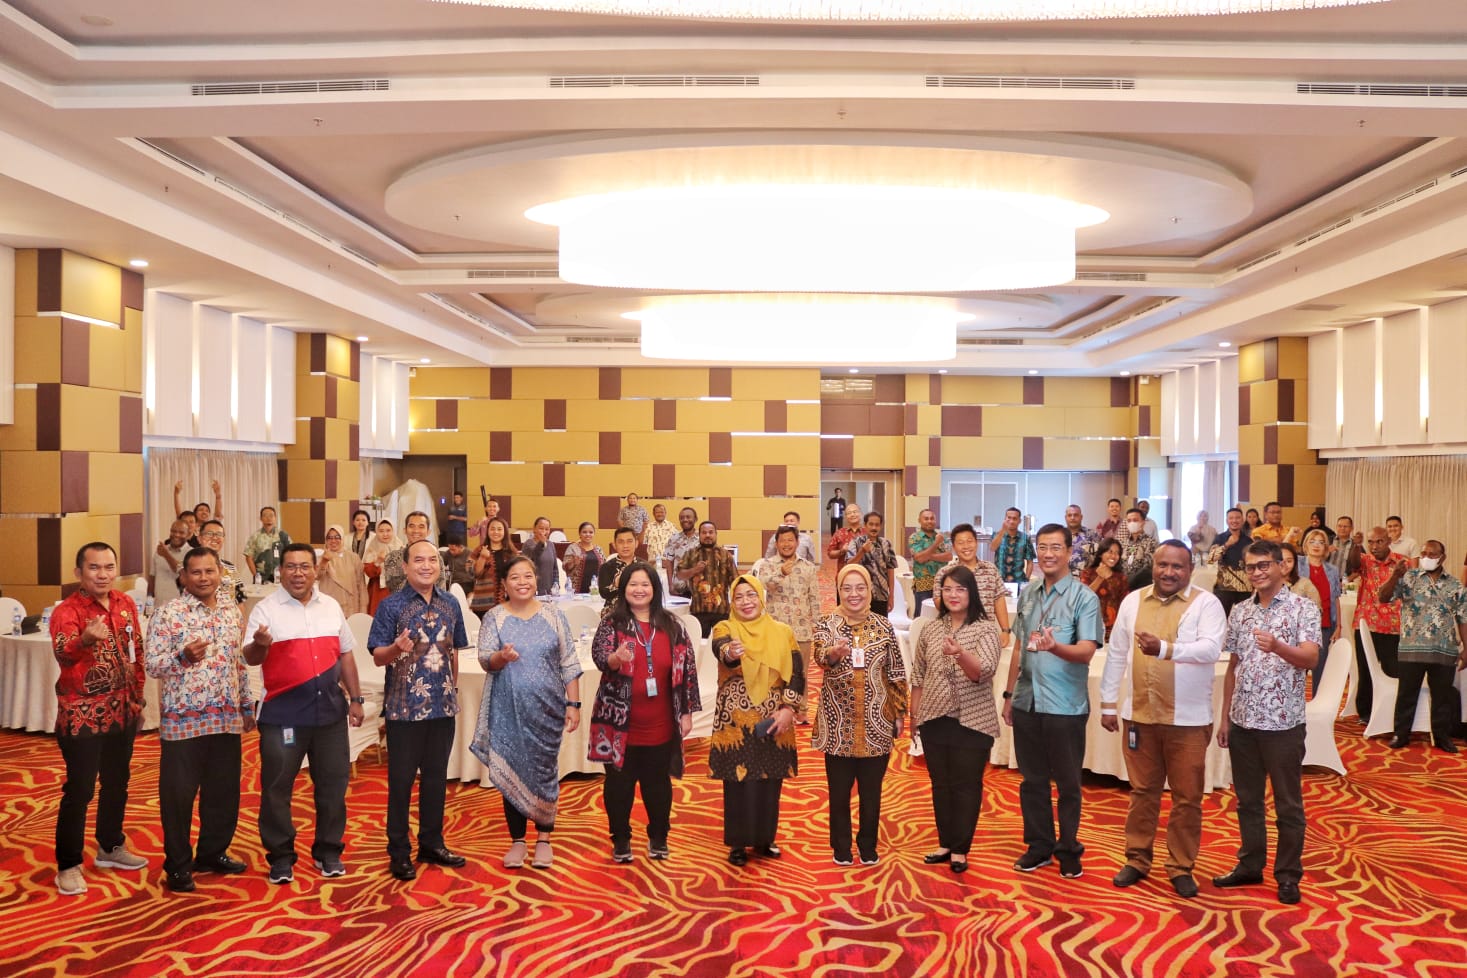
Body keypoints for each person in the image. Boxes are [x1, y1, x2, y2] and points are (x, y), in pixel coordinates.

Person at [1100, 541, 1226, 899]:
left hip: (1188, 720)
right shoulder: (1132, 601)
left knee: (1187, 798)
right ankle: (1137, 859)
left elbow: (1210, 649)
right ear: (1153, 566)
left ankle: (1180, 866)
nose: (1169, 572)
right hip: (1139, 715)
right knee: (1142, 793)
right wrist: (1108, 702)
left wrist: (1165, 649)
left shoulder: (1206, 604)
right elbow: (1117, 652)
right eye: (1163, 565)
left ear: (1190, 570)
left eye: (1177, 567)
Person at [244, 542, 366, 884]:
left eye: (304, 566)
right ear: (280, 571)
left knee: (333, 786)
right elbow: (251, 657)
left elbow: (345, 654)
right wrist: (261, 645)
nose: (298, 573)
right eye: (291, 566)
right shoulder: (266, 610)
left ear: (315, 570)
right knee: (277, 788)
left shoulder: (331, 607)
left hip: (329, 714)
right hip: (283, 716)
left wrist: (356, 698)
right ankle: (281, 856)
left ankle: (329, 850)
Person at [1213, 540, 1320, 906]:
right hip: (1243, 721)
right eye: (1250, 567)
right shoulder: (1240, 611)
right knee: (1248, 802)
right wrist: (1225, 717)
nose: (1256, 572)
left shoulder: (1302, 608)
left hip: (1283, 723)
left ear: (1281, 567)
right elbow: (1233, 666)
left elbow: (1310, 659)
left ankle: (1288, 875)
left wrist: (1278, 647)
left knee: (1288, 805)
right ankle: (1250, 865)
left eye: (1263, 565)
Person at [145, 547, 254, 892]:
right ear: (183, 576)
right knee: (178, 798)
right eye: (196, 572)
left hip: (225, 719)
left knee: (223, 793)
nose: (204, 578)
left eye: (210, 571)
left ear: (220, 573)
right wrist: (182, 657)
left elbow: (238, 663)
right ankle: (178, 866)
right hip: (183, 724)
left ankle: (212, 853)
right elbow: (152, 665)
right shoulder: (168, 614)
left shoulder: (232, 612)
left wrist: (246, 704)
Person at [1002, 523, 1104, 880]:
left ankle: (1069, 848)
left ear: (1069, 552)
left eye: (1056, 547)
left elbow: (1087, 651)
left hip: (1064, 705)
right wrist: (1009, 695)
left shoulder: (1084, 598)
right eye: (1042, 547)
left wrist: (1055, 647)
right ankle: (1039, 845)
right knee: (1032, 781)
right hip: (1027, 701)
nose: (1048, 554)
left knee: (1068, 783)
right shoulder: (1029, 594)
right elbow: (1019, 647)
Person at [49, 542, 150, 896]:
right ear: (79, 572)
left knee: (117, 783)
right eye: (94, 568)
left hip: (122, 711)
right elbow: (63, 655)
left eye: (109, 567)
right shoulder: (67, 611)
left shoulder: (125, 604)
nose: (103, 574)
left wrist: (138, 697)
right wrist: (84, 641)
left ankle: (110, 846)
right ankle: (68, 865)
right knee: (80, 790)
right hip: (82, 717)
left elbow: (136, 652)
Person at [471, 556, 583, 870]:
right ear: (504, 584)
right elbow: (485, 660)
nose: (523, 582)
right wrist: (501, 657)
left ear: (536, 580)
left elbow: (569, 663)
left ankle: (544, 838)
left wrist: (573, 705)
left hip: (548, 709)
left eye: (528, 576)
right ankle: (518, 840)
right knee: (512, 769)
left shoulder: (554, 615)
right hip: (507, 709)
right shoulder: (494, 617)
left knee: (545, 771)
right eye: (515, 577)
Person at [370, 539, 469, 881]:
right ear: (406, 566)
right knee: (400, 783)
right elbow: (377, 656)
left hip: (442, 707)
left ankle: (431, 843)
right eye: (419, 560)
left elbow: (454, 651)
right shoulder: (391, 605)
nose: (427, 566)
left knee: (436, 780)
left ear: (439, 566)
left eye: (432, 560)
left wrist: (453, 689)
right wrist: (395, 648)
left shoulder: (451, 603)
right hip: (403, 709)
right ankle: (399, 851)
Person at [588, 563, 700, 862]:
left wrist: (687, 712)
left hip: (661, 723)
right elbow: (600, 658)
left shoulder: (673, 625)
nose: (639, 590)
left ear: (655, 589)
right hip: (618, 723)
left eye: (645, 584)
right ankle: (621, 838)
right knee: (619, 786)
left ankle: (659, 836)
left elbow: (688, 671)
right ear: (624, 588)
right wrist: (615, 658)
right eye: (633, 584)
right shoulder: (612, 623)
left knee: (658, 784)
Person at [909, 565, 1002, 874]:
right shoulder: (931, 628)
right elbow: (918, 675)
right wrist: (914, 715)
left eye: (960, 589)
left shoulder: (986, 629)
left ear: (971, 593)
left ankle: (960, 848)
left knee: (966, 785)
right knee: (941, 784)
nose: (953, 595)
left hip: (973, 721)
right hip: (934, 716)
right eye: (947, 589)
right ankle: (945, 843)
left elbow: (983, 672)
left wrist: (960, 653)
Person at [812, 564, 907, 866]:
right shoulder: (827, 623)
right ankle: (841, 846)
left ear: (869, 590)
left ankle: (867, 845)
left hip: (876, 721)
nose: (854, 594)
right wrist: (833, 654)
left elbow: (895, 670)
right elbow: (819, 657)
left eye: (860, 587)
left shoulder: (883, 625)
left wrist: (900, 712)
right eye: (847, 588)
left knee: (871, 793)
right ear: (839, 591)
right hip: (837, 722)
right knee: (839, 793)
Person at [710, 575, 804, 867]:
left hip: (773, 715)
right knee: (737, 782)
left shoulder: (783, 631)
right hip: (735, 718)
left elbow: (796, 672)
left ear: (761, 598)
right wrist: (730, 652)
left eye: (751, 595)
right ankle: (738, 843)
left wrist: (789, 708)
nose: (746, 602)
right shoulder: (725, 627)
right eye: (739, 597)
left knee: (769, 779)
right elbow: (721, 649)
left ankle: (765, 838)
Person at [1378, 540, 1467, 753]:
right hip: (1412, 649)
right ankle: (1401, 734)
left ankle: (1442, 737)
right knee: (1406, 694)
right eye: (1424, 553)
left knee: (1442, 697)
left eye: (1432, 554)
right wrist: (1395, 575)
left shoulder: (1455, 585)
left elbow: (1463, 618)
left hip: (1444, 650)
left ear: (1442, 558)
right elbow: (1383, 597)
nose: (1426, 557)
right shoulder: (1408, 578)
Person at [751, 526, 821, 723]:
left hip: (802, 629)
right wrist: (780, 573)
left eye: (790, 540)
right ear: (776, 543)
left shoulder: (808, 567)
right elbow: (762, 585)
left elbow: (814, 598)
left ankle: (801, 709)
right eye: (782, 540)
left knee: (802, 671)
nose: (787, 544)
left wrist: (818, 624)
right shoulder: (767, 565)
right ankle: (776, 707)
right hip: (775, 628)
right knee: (775, 670)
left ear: (797, 543)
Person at [1349, 526, 1407, 722]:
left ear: (1388, 541)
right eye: (1371, 542)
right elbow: (1353, 563)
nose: (1374, 546)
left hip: (1393, 626)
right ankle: (1365, 713)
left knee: (1392, 671)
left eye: (1379, 542)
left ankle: (1391, 712)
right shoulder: (1365, 560)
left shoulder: (1402, 562)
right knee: (1365, 670)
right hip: (1366, 625)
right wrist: (1356, 545)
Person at [947, 522, 1013, 638]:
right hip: (955, 636)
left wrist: (1005, 630)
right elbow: (939, 603)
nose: (966, 546)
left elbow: (999, 600)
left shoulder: (990, 569)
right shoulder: (946, 573)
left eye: (969, 541)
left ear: (976, 543)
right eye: (960, 543)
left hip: (986, 636)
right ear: (954, 547)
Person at [1299, 529, 1343, 693]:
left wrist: (1338, 626)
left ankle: (1317, 704)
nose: (1316, 545)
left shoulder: (1332, 570)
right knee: (1298, 669)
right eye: (1312, 541)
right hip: (1301, 625)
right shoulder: (1298, 564)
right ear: (1306, 545)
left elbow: (1336, 598)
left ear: (1326, 547)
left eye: (1321, 542)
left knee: (1320, 669)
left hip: (1324, 624)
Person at [677, 521, 738, 637]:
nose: (707, 535)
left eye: (711, 532)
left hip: (721, 612)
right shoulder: (690, 554)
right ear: (699, 535)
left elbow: (735, 582)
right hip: (699, 611)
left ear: (716, 534)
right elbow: (680, 575)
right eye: (704, 533)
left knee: (721, 644)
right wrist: (694, 570)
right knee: (699, 645)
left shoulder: (726, 555)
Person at [846, 511, 899, 617]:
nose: (874, 528)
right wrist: (862, 552)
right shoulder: (855, 542)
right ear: (865, 525)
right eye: (871, 524)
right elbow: (848, 565)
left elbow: (890, 570)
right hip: (861, 595)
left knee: (880, 625)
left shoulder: (887, 544)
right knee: (861, 625)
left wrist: (891, 596)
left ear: (881, 526)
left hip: (881, 594)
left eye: (877, 525)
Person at [1208, 508, 1254, 617]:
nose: (1234, 520)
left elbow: (1253, 563)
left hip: (1245, 587)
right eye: (1231, 518)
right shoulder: (1220, 538)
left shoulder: (1248, 541)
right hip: (1224, 587)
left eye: (1237, 518)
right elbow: (1211, 558)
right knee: (1220, 618)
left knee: (1244, 619)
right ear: (1227, 521)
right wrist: (1227, 545)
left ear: (1242, 520)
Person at [1080, 538, 1128, 639]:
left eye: (1117, 553)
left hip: (1114, 628)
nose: (1113, 556)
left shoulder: (1121, 578)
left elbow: (1125, 603)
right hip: (1091, 625)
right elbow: (1083, 598)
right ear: (1101, 554)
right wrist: (1100, 577)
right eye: (1110, 552)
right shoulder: (1087, 573)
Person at [471, 516, 518, 615]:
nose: (496, 532)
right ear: (487, 531)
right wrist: (482, 558)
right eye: (492, 529)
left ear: (505, 532)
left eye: (499, 529)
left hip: (509, 603)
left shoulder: (512, 552)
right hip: (483, 604)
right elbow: (473, 573)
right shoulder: (479, 550)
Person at [317, 524, 368, 617]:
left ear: (342, 538)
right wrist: (324, 561)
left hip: (351, 605)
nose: (333, 541)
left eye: (337, 537)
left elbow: (361, 585)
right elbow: (317, 576)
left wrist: (363, 609)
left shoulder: (353, 558)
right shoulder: (321, 558)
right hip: (329, 605)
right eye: (330, 538)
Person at [908, 508, 951, 612]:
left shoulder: (941, 537)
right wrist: (936, 544)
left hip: (941, 584)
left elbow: (949, 556)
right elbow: (919, 559)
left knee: (942, 615)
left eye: (932, 518)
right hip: (923, 585)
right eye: (926, 518)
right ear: (919, 520)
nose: (929, 521)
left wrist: (927, 556)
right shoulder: (914, 537)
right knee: (922, 615)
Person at [381, 511, 431, 595]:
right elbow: (393, 589)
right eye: (412, 526)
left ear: (428, 532)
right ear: (405, 530)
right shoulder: (392, 557)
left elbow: (439, 590)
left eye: (421, 527)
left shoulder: (435, 558)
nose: (416, 530)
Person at [244, 506, 292, 584]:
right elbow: (248, 557)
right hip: (262, 577)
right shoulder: (255, 536)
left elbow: (291, 554)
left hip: (280, 576)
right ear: (261, 518)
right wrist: (256, 575)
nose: (268, 518)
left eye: (271, 515)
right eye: (265, 515)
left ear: (275, 518)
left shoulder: (283, 535)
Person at [662, 507, 701, 597]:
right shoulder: (674, 538)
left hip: (699, 587)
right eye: (682, 518)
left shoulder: (702, 538)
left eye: (688, 517)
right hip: (679, 587)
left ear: (695, 519)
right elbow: (669, 562)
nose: (685, 520)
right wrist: (670, 585)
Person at [992, 507, 1035, 586]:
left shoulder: (1025, 538)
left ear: (1019, 521)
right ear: (1005, 519)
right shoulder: (997, 535)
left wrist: (1026, 581)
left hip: (1019, 581)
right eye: (1009, 518)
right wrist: (1002, 530)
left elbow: (1030, 562)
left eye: (1014, 519)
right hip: (999, 582)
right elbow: (992, 548)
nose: (1011, 521)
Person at [598, 526, 639, 606]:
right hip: (613, 610)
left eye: (629, 541)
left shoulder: (644, 566)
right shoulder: (606, 567)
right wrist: (615, 585)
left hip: (639, 610)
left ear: (636, 543)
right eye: (621, 542)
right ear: (614, 545)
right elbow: (603, 594)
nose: (625, 545)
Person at [152, 519, 190, 604]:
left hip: (180, 606)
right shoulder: (160, 550)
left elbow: (180, 571)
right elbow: (152, 576)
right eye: (173, 531)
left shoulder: (191, 553)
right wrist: (149, 598)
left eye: (181, 532)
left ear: (188, 535)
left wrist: (166, 555)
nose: (176, 535)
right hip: (159, 604)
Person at [363, 519, 396, 614]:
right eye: (381, 531)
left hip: (397, 590)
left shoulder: (400, 546)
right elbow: (368, 572)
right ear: (376, 532)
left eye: (388, 530)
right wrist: (378, 561)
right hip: (377, 590)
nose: (385, 534)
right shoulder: (372, 547)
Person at [562, 522, 605, 595]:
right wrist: (573, 562)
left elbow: (604, 567)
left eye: (591, 532)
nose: (588, 534)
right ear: (579, 534)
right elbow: (565, 567)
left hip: (595, 590)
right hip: (576, 590)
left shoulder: (598, 549)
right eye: (584, 532)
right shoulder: (573, 548)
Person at [1119, 508, 1157, 590]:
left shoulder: (1151, 543)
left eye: (1135, 520)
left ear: (1143, 522)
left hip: (1141, 586)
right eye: (1129, 521)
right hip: (1122, 586)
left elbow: (1147, 568)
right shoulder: (1123, 543)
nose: (1132, 523)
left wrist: (1129, 582)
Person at [521, 517, 560, 595]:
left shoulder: (550, 544)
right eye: (541, 528)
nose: (544, 532)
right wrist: (541, 543)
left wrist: (556, 583)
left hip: (549, 590)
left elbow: (555, 568)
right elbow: (534, 556)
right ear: (534, 529)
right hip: (533, 589)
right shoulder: (528, 544)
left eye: (547, 529)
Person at [1064, 505, 1100, 578]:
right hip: (1063, 579)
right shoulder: (1059, 536)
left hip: (1086, 580)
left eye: (1076, 515)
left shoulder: (1092, 535)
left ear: (1081, 517)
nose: (1072, 518)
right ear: (1065, 517)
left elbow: (1101, 557)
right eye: (1069, 515)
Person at [826, 504, 863, 572]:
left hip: (864, 573)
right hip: (844, 572)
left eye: (855, 512)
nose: (852, 515)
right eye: (849, 513)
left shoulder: (867, 532)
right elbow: (830, 554)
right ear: (845, 517)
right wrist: (841, 551)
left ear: (861, 514)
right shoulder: (839, 533)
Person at [1327, 515, 1358, 580]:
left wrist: (1346, 581)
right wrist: (1325, 551)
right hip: (1326, 580)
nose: (1342, 528)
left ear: (1352, 528)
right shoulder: (1327, 541)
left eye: (1345, 526)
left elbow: (1360, 569)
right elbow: (1316, 559)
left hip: (1345, 582)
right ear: (1336, 527)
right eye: (1340, 526)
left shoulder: (1356, 545)